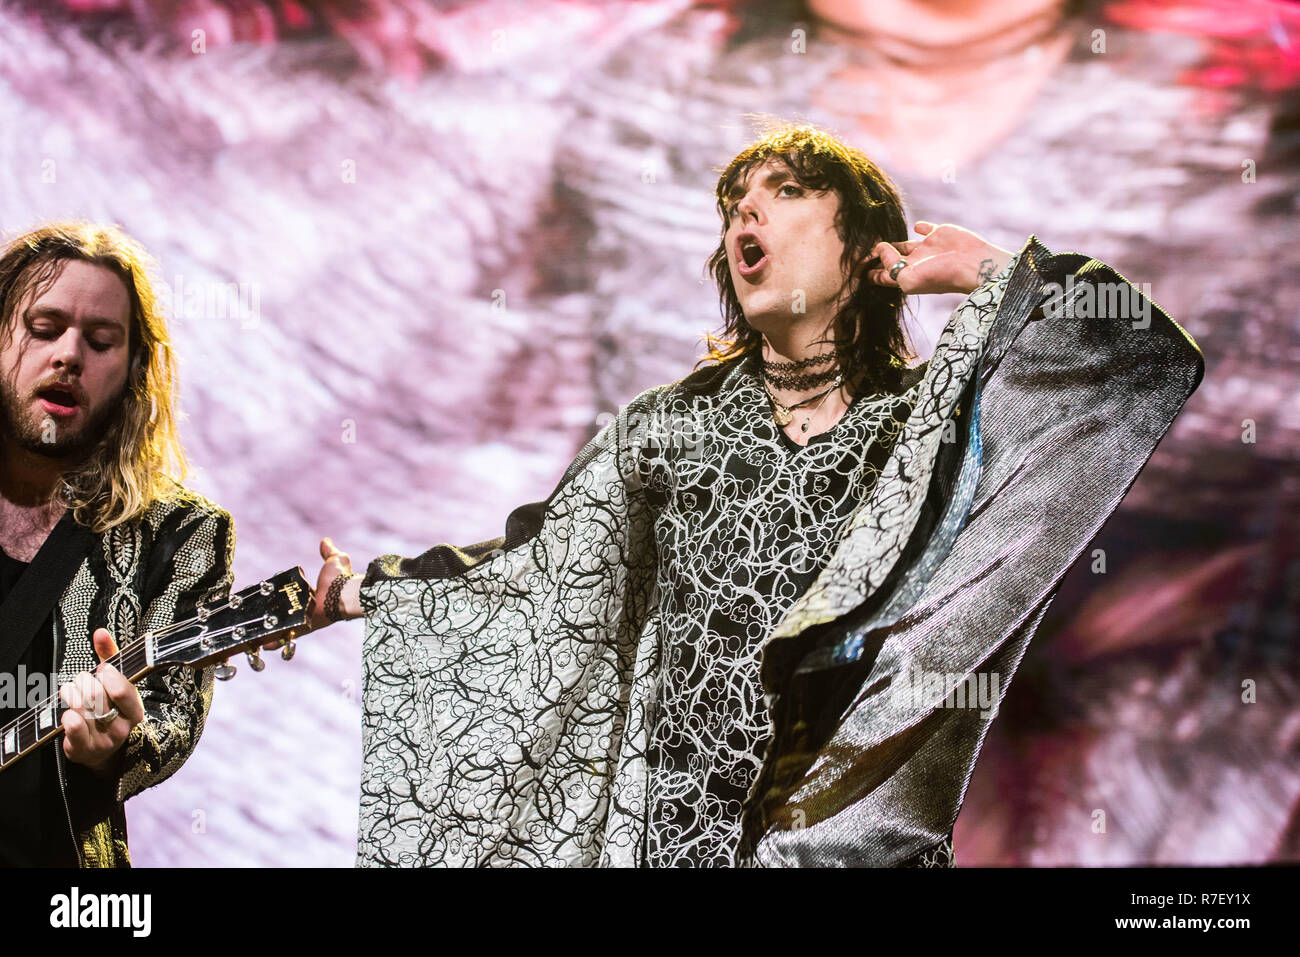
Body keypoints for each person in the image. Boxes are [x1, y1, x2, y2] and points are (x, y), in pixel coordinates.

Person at [309, 125, 1203, 867]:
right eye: (737, 199)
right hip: (684, 843)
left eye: (784, 190)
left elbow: (1136, 360)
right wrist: (369, 588)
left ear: (865, 248)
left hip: (847, 845)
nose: (746, 207)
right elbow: (539, 558)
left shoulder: (928, 428)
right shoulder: (667, 428)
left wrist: (995, 275)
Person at [0, 222, 235, 867]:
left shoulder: (179, 533)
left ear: (133, 370)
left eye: (100, 341)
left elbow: (171, 717)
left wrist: (120, 743)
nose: (69, 355)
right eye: (43, 329)